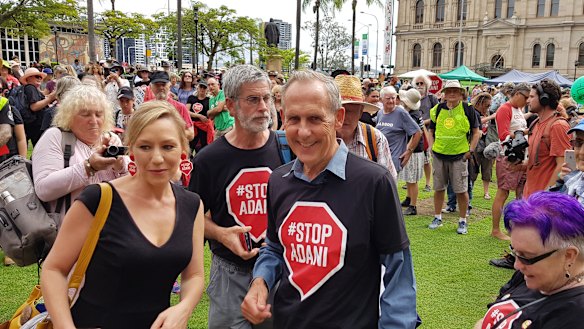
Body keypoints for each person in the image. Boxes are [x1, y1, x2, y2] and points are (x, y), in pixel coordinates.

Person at [241, 70, 418, 329]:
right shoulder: (278, 181)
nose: (303, 132)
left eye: (314, 118)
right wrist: (260, 281)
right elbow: (274, 246)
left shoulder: (374, 183)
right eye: (294, 119)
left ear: (338, 118)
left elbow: (398, 272)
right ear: (282, 118)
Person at [40, 101, 205, 328]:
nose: (157, 158)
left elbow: (194, 275)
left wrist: (184, 307)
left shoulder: (191, 205)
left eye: (168, 146)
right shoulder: (98, 200)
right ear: (131, 149)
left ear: (183, 151)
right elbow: (54, 269)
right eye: (145, 147)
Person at [189, 64, 286, 329]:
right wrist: (222, 234)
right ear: (230, 105)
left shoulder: (287, 150)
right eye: (253, 100)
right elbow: (192, 218)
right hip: (230, 274)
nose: (264, 108)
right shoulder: (209, 159)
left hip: (280, 272)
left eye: (267, 98)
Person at [475, 192, 584, 329]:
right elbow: (487, 318)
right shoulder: (529, 274)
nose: (517, 265)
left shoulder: (576, 316)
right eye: (516, 253)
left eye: (526, 256)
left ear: (569, 256)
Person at [32, 85, 128, 219]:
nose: (94, 121)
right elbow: (44, 190)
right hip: (69, 230)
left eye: (99, 114)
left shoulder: (111, 139)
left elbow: (131, 187)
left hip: (110, 227)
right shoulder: (55, 137)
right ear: (69, 116)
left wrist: (121, 167)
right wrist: (89, 167)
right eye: (85, 114)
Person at [427, 80, 481, 234]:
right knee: (438, 188)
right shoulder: (437, 109)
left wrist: (470, 150)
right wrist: (431, 147)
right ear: (444, 93)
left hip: (459, 156)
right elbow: (431, 130)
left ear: (461, 93)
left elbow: (476, 131)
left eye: (455, 91)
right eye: (449, 90)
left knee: (461, 190)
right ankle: (437, 217)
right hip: (439, 154)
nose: (451, 93)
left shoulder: (468, 109)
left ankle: (463, 220)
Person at [334, 75, 397, 181]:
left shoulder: (375, 138)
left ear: (360, 112)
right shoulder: (318, 137)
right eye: (339, 111)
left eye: (350, 111)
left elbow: (388, 182)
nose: (344, 117)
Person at [491, 83, 531, 240]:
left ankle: (517, 227)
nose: (527, 101)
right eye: (526, 97)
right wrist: (526, 132)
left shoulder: (519, 110)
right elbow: (503, 135)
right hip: (508, 156)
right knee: (503, 192)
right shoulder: (505, 109)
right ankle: (495, 230)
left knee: (520, 193)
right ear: (517, 94)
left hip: (521, 156)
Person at [523, 79, 572, 197]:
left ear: (544, 99)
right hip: (529, 196)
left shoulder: (558, 126)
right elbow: (538, 162)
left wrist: (545, 196)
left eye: (531, 96)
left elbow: (564, 165)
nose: (528, 100)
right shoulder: (535, 123)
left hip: (544, 200)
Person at [375, 85, 422, 174]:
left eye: (393, 98)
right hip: (380, 158)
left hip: (393, 160)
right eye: (388, 98)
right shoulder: (380, 113)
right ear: (381, 100)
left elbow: (417, 132)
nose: (391, 101)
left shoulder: (401, 113)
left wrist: (409, 152)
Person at [145, 71, 194, 141]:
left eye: (163, 84)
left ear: (169, 85)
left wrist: (167, 134)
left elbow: (190, 134)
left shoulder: (180, 107)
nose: (161, 88)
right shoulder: (146, 108)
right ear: (151, 87)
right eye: (157, 85)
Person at [398, 88, 425, 216]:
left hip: (413, 150)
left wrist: (408, 149)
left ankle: (413, 205)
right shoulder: (415, 113)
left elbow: (415, 135)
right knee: (409, 177)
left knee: (412, 179)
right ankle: (409, 198)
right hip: (415, 149)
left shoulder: (412, 116)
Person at [413, 74, 439, 192]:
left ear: (427, 85)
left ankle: (428, 183)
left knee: (426, 160)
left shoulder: (432, 98)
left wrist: (424, 122)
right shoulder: (413, 97)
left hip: (427, 132)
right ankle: (413, 182)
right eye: (417, 83)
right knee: (414, 158)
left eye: (421, 83)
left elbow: (438, 115)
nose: (419, 86)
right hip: (414, 131)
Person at [21, 67, 56, 146]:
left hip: (34, 125)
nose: (40, 78)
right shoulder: (30, 87)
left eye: (40, 77)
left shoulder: (31, 88)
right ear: (28, 78)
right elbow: (34, 107)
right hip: (36, 125)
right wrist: (50, 98)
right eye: (37, 76)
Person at [186, 81, 213, 152]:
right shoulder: (191, 98)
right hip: (192, 125)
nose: (202, 89)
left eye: (204, 87)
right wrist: (199, 116)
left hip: (204, 126)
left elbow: (211, 113)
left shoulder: (209, 100)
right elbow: (186, 111)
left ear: (207, 89)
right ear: (197, 88)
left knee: (203, 146)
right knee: (190, 146)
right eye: (201, 87)